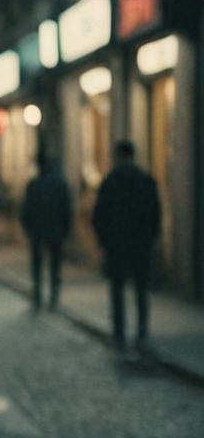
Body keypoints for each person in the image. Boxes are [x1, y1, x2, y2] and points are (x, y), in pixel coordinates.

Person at [92, 140, 161, 352]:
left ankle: (119, 333)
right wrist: (150, 239)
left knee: (118, 290)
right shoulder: (145, 180)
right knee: (141, 289)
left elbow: (98, 215)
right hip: (140, 244)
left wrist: (104, 241)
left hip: (117, 245)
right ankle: (141, 332)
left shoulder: (111, 181)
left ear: (118, 156)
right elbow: (155, 213)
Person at [20, 153, 72, 311]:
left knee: (37, 263)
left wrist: (27, 228)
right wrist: (66, 229)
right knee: (55, 264)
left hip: (37, 230)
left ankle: (37, 294)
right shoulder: (61, 184)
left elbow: (25, 209)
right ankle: (54, 295)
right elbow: (66, 209)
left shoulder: (33, 184)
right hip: (56, 229)